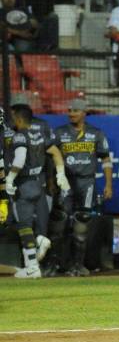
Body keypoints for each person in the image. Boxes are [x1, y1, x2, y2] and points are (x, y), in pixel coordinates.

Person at [5, 106, 69, 279]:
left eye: (12, 117)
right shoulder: (38, 135)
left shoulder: (19, 135)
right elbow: (56, 153)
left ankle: (33, 262)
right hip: (37, 185)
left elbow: (20, 159)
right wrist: (61, 175)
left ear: (18, 118)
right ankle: (32, 265)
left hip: (23, 185)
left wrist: (10, 179)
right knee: (26, 226)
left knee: (22, 226)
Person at [51, 99, 112, 277]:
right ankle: (57, 264)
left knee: (82, 222)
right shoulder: (59, 133)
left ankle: (78, 265)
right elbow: (50, 158)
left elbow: (106, 160)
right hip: (65, 183)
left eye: (76, 111)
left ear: (84, 113)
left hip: (87, 182)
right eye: (70, 110)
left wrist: (108, 184)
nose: (71, 114)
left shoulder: (96, 133)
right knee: (60, 223)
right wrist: (51, 182)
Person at [10, 93, 57, 262]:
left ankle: (34, 262)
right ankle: (31, 261)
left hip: (30, 180)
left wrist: (51, 180)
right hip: (34, 180)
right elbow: (54, 153)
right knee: (24, 222)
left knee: (30, 222)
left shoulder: (38, 126)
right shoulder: (11, 127)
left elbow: (49, 156)